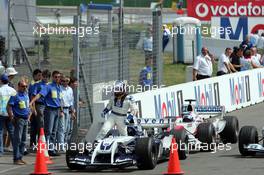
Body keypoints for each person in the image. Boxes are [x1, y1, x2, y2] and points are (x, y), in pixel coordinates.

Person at [30, 71, 63, 156]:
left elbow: (60, 100)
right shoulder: (49, 86)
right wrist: (32, 102)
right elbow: (39, 95)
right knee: (48, 130)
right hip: (50, 110)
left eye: (58, 77)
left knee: (54, 131)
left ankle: (51, 149)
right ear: (52, 77)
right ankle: (46, 149)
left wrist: (61, 110)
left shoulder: (59, 87)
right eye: (55, 77)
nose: (57, 78)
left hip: (57, 110)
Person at [7, 77, 30, 165]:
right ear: (19, 86)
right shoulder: (15, 96)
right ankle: (16, 158)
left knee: (24, 140)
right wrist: (11, 116)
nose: (25, 88)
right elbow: (9, 106)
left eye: (26, 86)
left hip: (25, 119)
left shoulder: (26, 95)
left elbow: (28, 106)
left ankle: (20, 157)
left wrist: (29, 114)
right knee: (18, 139)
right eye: (23, 86)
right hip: (19, 119)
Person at [0, 74, 16, 156]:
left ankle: (0, 151)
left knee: (0, 131)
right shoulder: (13, 90)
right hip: (11, 113)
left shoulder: (0, 90)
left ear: (1, 81)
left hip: (1, 113)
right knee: (12, 132)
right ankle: (16, 149)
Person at [57, 76, 75, 150]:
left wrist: (72, 112)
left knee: (67, 128)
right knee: (62, 128)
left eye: (67, 81)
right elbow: (59, 100)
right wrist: (61, 111)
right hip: (62, 109)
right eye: (63, 81)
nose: (65, 82)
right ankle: (61, 145)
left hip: (68, 109)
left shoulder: (70, 89)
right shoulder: (59, 89)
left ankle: (64, 143)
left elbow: (71, 101)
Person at [28, 69, 42, 149]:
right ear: (34, 76)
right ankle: (33, 144)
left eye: (41, 75)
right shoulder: (34, 84)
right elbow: (32, 97)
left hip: (36, 106)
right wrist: (33, 109)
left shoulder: (37, 83)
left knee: (36, 126)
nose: (40, 77)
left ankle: (34, 143)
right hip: (35, 105)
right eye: (38, 75)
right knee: (35, 126)